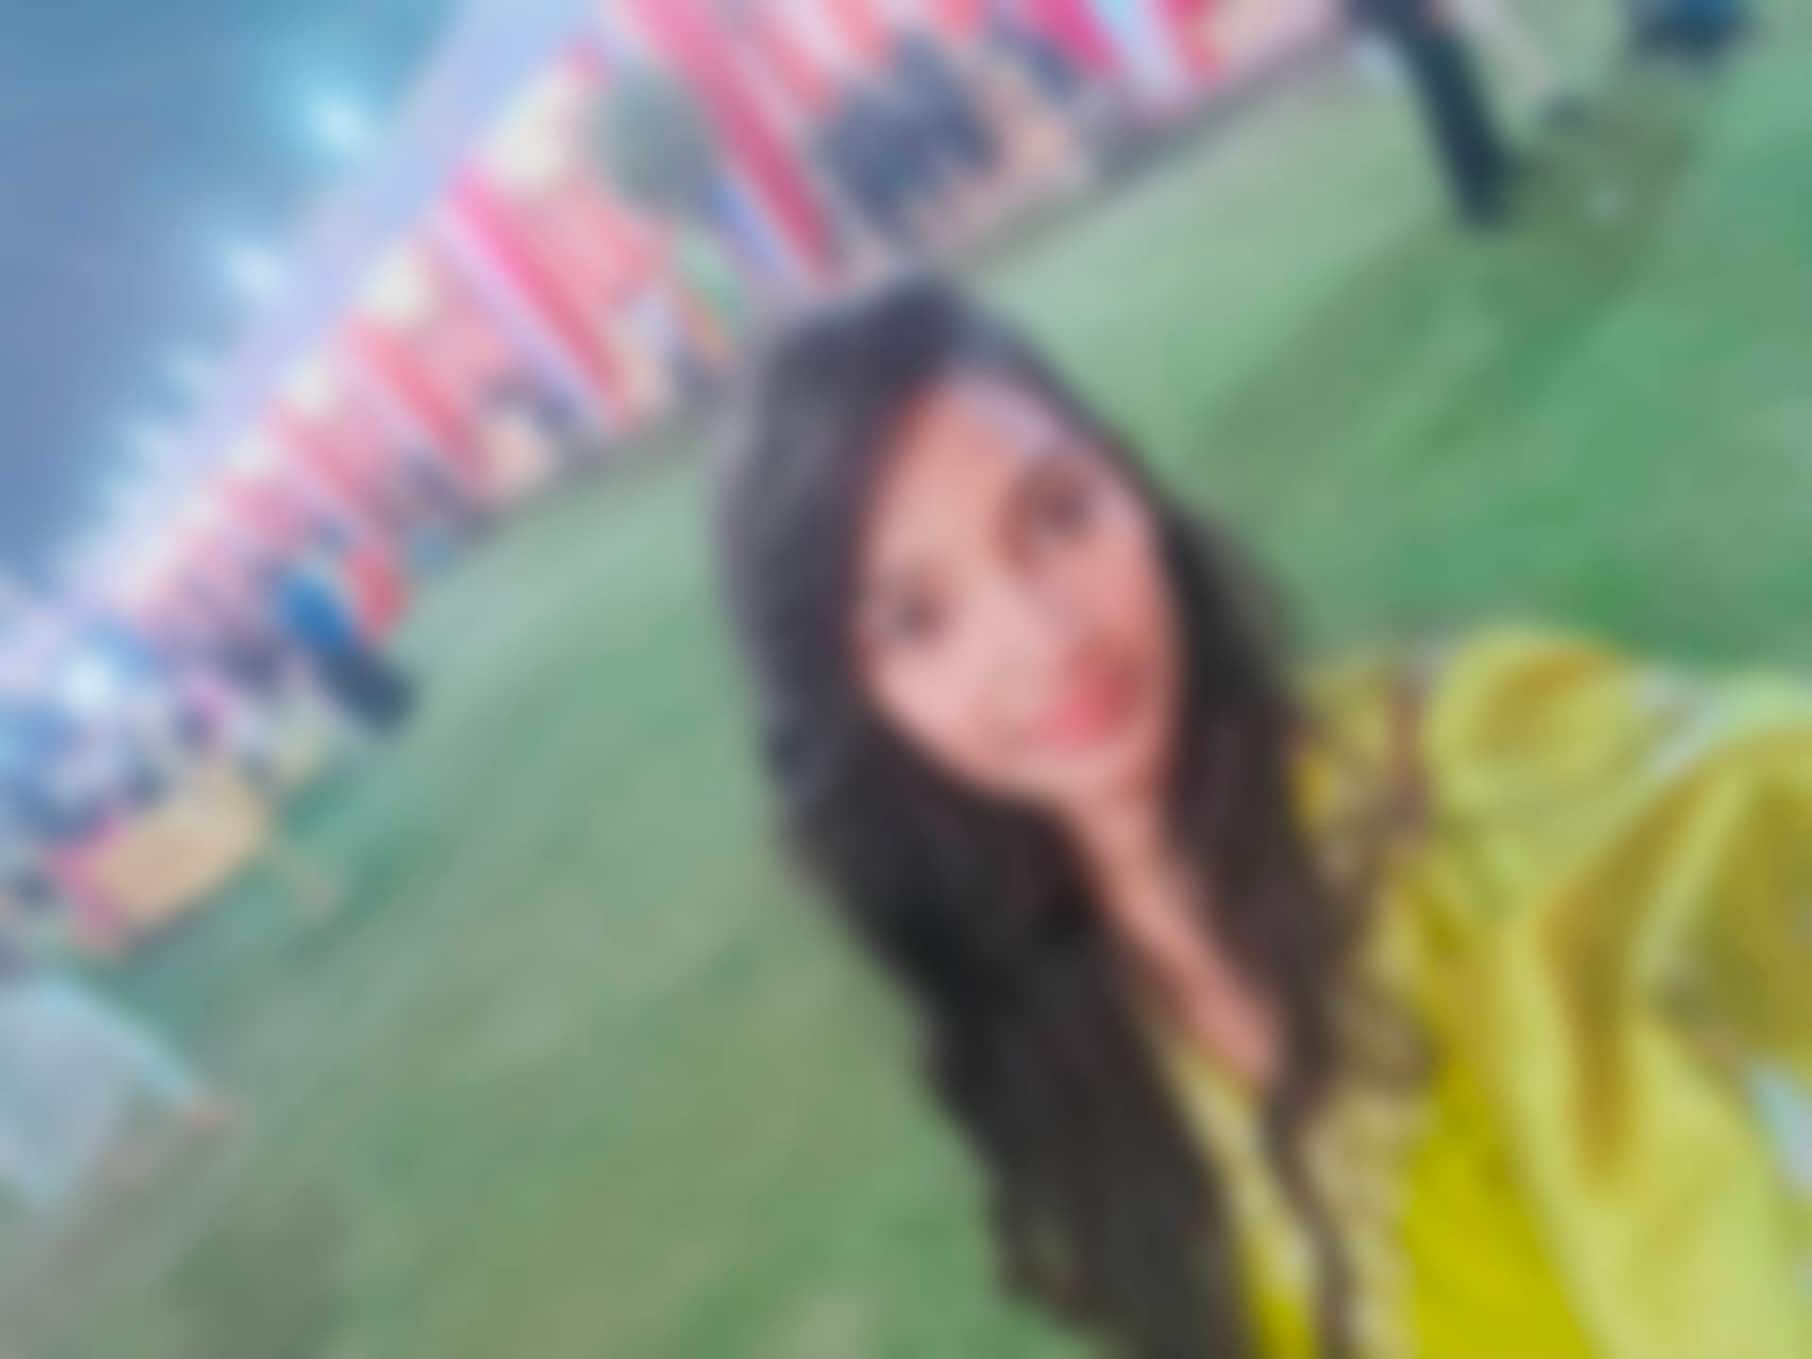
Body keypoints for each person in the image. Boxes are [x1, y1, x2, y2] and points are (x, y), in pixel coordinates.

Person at [715, 282, 1812, 1357]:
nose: (1044, 637)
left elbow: (1757, 801)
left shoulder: (1469, 761)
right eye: (921, 620)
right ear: (859, 700)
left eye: (1057, 514)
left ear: (1129, 485)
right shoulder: (1064, 1026)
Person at [0, 936, 231, 1212]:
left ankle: (189, 1105)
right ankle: (121, 1161)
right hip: (20, 998)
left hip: (22, 988)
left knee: (106, 1038)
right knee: (36, 1099)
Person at [1350, 0, 1516, 225]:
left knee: (1461, 87)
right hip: (1405, 19)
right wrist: (1423, 10)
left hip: (1415, 17)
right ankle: (1471, 196)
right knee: (1444, 107)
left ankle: (1489, 161)